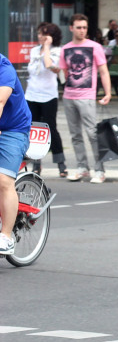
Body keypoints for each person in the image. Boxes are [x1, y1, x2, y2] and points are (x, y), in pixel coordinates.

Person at [59, 13, 112, 183]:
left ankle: (99, 169)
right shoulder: (65, 49)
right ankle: (82, 167)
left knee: (92, 133)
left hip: (87, 96)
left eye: (84, 28)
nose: (82, 31)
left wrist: (108, 93)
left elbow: (103, 71)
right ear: (71, 28)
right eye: (79, 27)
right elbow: (64, 72)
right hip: (69, 96)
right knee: (75, 134)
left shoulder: (95, 47)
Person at [0, 47, 33, 256]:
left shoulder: (4, 69)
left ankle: (6, 236)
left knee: (3, 180)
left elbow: (0, 102)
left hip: (13, 130)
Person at [25, 22, 67, 178]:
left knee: (51, 127)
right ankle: (36, 163)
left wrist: (47, 47)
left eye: (44, 34)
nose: (40, 37)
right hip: (32, 94)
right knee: (34, 129)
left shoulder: (57, 51)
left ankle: (61, 162)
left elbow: (50, 65)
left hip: (48, 96)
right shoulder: (34, 51)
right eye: (39, 34)